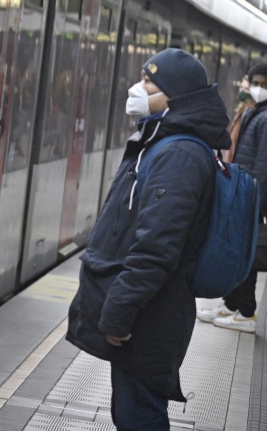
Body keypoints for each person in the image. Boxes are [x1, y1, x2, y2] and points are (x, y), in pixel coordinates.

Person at [67, 49, 230, 431]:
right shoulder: (165, 142)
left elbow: (157, 245)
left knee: (139, 415)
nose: (137, 88)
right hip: (150, 306)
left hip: (151, 311)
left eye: (148, 82)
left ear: (173, 95)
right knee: (132, 410)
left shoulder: (180, 154)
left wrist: (120, 308)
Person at [205, 63, 267, 334]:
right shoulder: (259, 112)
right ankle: (231, 304)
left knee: (246, 253)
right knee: (237, 249)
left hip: (253, 194)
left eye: (265, 83)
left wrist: (253, 196)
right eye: (255, 82)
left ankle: (247, 312)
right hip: (245, 190)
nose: (259, 87)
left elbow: (264, 163)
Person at [225, 83, 254, 163]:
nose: (241, 91)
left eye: (246, 89)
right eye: (241, 87)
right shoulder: (242, 109)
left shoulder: (249, 111)